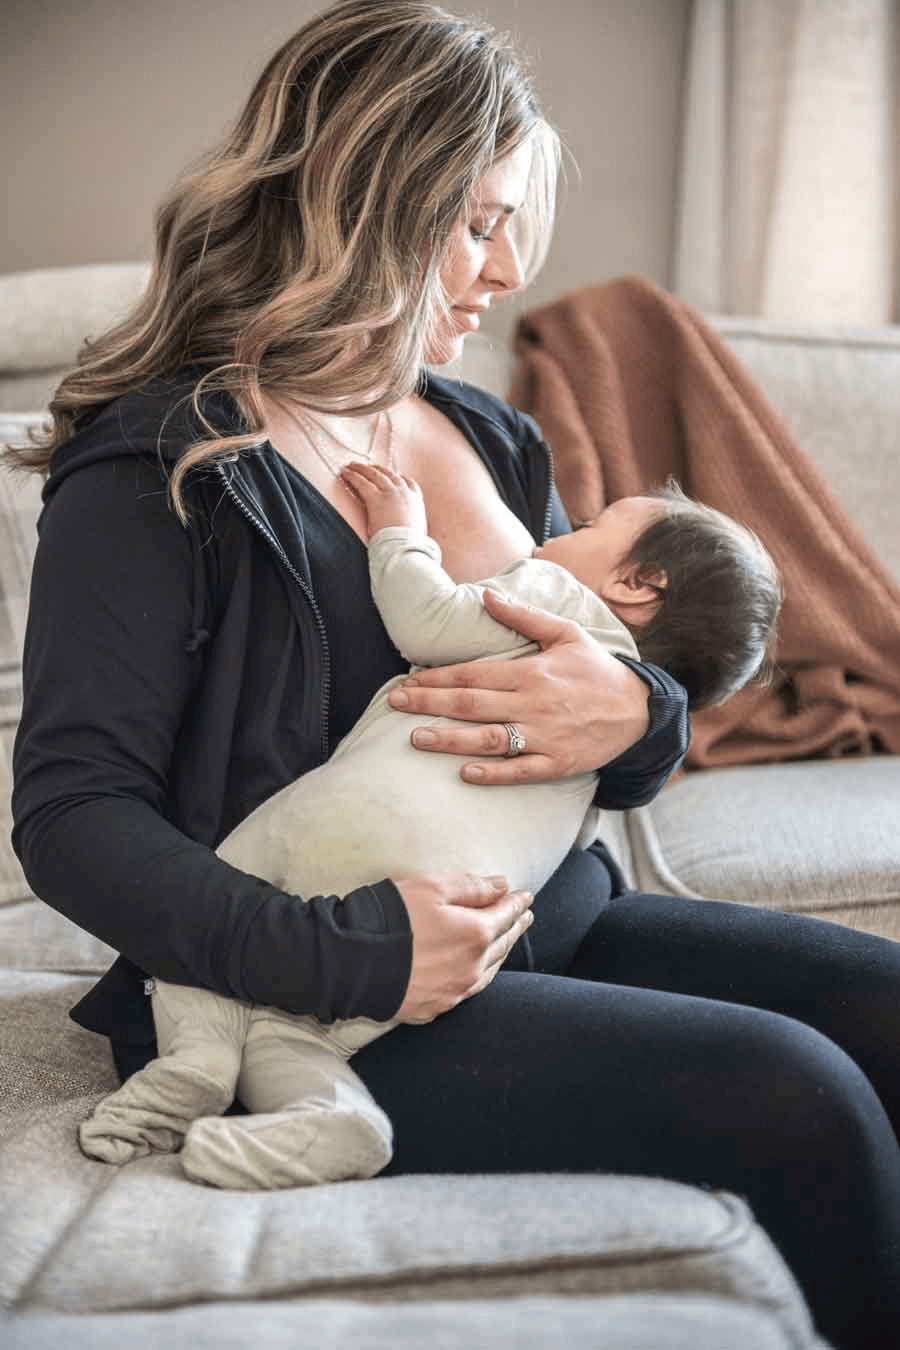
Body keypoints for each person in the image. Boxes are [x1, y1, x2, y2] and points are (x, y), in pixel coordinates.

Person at [8, 3, 900, 1344]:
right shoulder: (162, 465)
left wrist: (642, 713)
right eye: (478, 223)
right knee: (799, 1097)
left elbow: (588, 664)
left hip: (556, 917)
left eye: (516, 230)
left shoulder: (483, 427)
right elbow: (73, 817)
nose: (505, 273)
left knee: (888, 1012)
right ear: (360, 200)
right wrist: (352, 951)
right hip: (302, 986)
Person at [76, 463, 782, 1188]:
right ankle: (330, 1110)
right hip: (451, 922)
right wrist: (650, 704)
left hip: (370, 854)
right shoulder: (156, 460)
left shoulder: (554, 592)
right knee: (297, 1032)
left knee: (231, 889)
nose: (562, 532)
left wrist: (400, 534)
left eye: (594, 527)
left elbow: (428, 620)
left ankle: (198, 1057)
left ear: (639, 583)